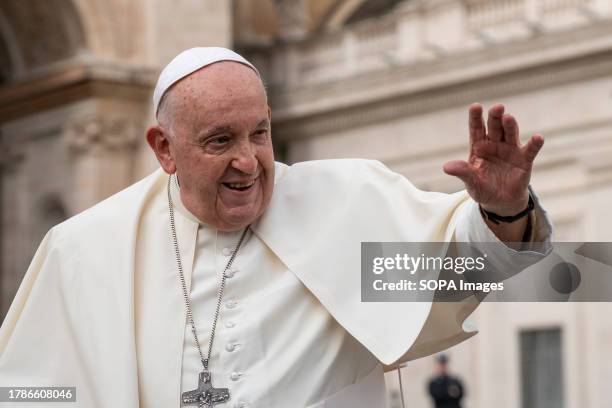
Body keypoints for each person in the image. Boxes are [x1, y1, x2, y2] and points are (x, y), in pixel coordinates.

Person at [0, 47, 552, 408]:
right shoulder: (85, 251)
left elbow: (464, 267)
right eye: (221, 140)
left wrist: (504, 212)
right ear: (163, 148)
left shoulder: (344, 205)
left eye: (259, 134)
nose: (248, 161)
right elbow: (29, 392)